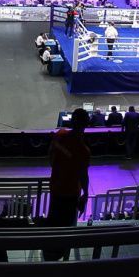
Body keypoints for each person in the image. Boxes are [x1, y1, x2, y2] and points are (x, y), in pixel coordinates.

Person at [45, 108, 91, 259]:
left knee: (53, 220)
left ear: (71, 121)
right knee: (66, 226)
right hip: (71, 194)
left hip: (55, 188)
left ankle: (49, 253)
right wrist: (86, 193)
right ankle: (61, 255)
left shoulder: (59, 135)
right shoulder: (84, 151)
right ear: (86, 124)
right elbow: (83, 176)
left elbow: (50, 156)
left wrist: (58, 169)